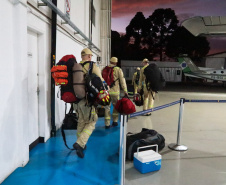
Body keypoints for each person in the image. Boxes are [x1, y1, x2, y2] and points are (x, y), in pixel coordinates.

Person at [73, 48, 105, 158]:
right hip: (87, 101)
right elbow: (100, 81)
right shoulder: (92, 66)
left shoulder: (75, 66)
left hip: (75, 102)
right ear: (90, 56)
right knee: (92, 122)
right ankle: (80, 144)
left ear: (82, 56)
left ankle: (80, 143)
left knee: (81, 121)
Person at [104, 57, 128, 129]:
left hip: (106, 92)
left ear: (110, 61)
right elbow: (122, 81)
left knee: (107, 107)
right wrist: (125, 91)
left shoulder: (104, 69)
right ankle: (115, 121)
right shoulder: (118, 70)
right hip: (115, 92)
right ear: (116, 62)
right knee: (116, 107)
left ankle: (107, 124)